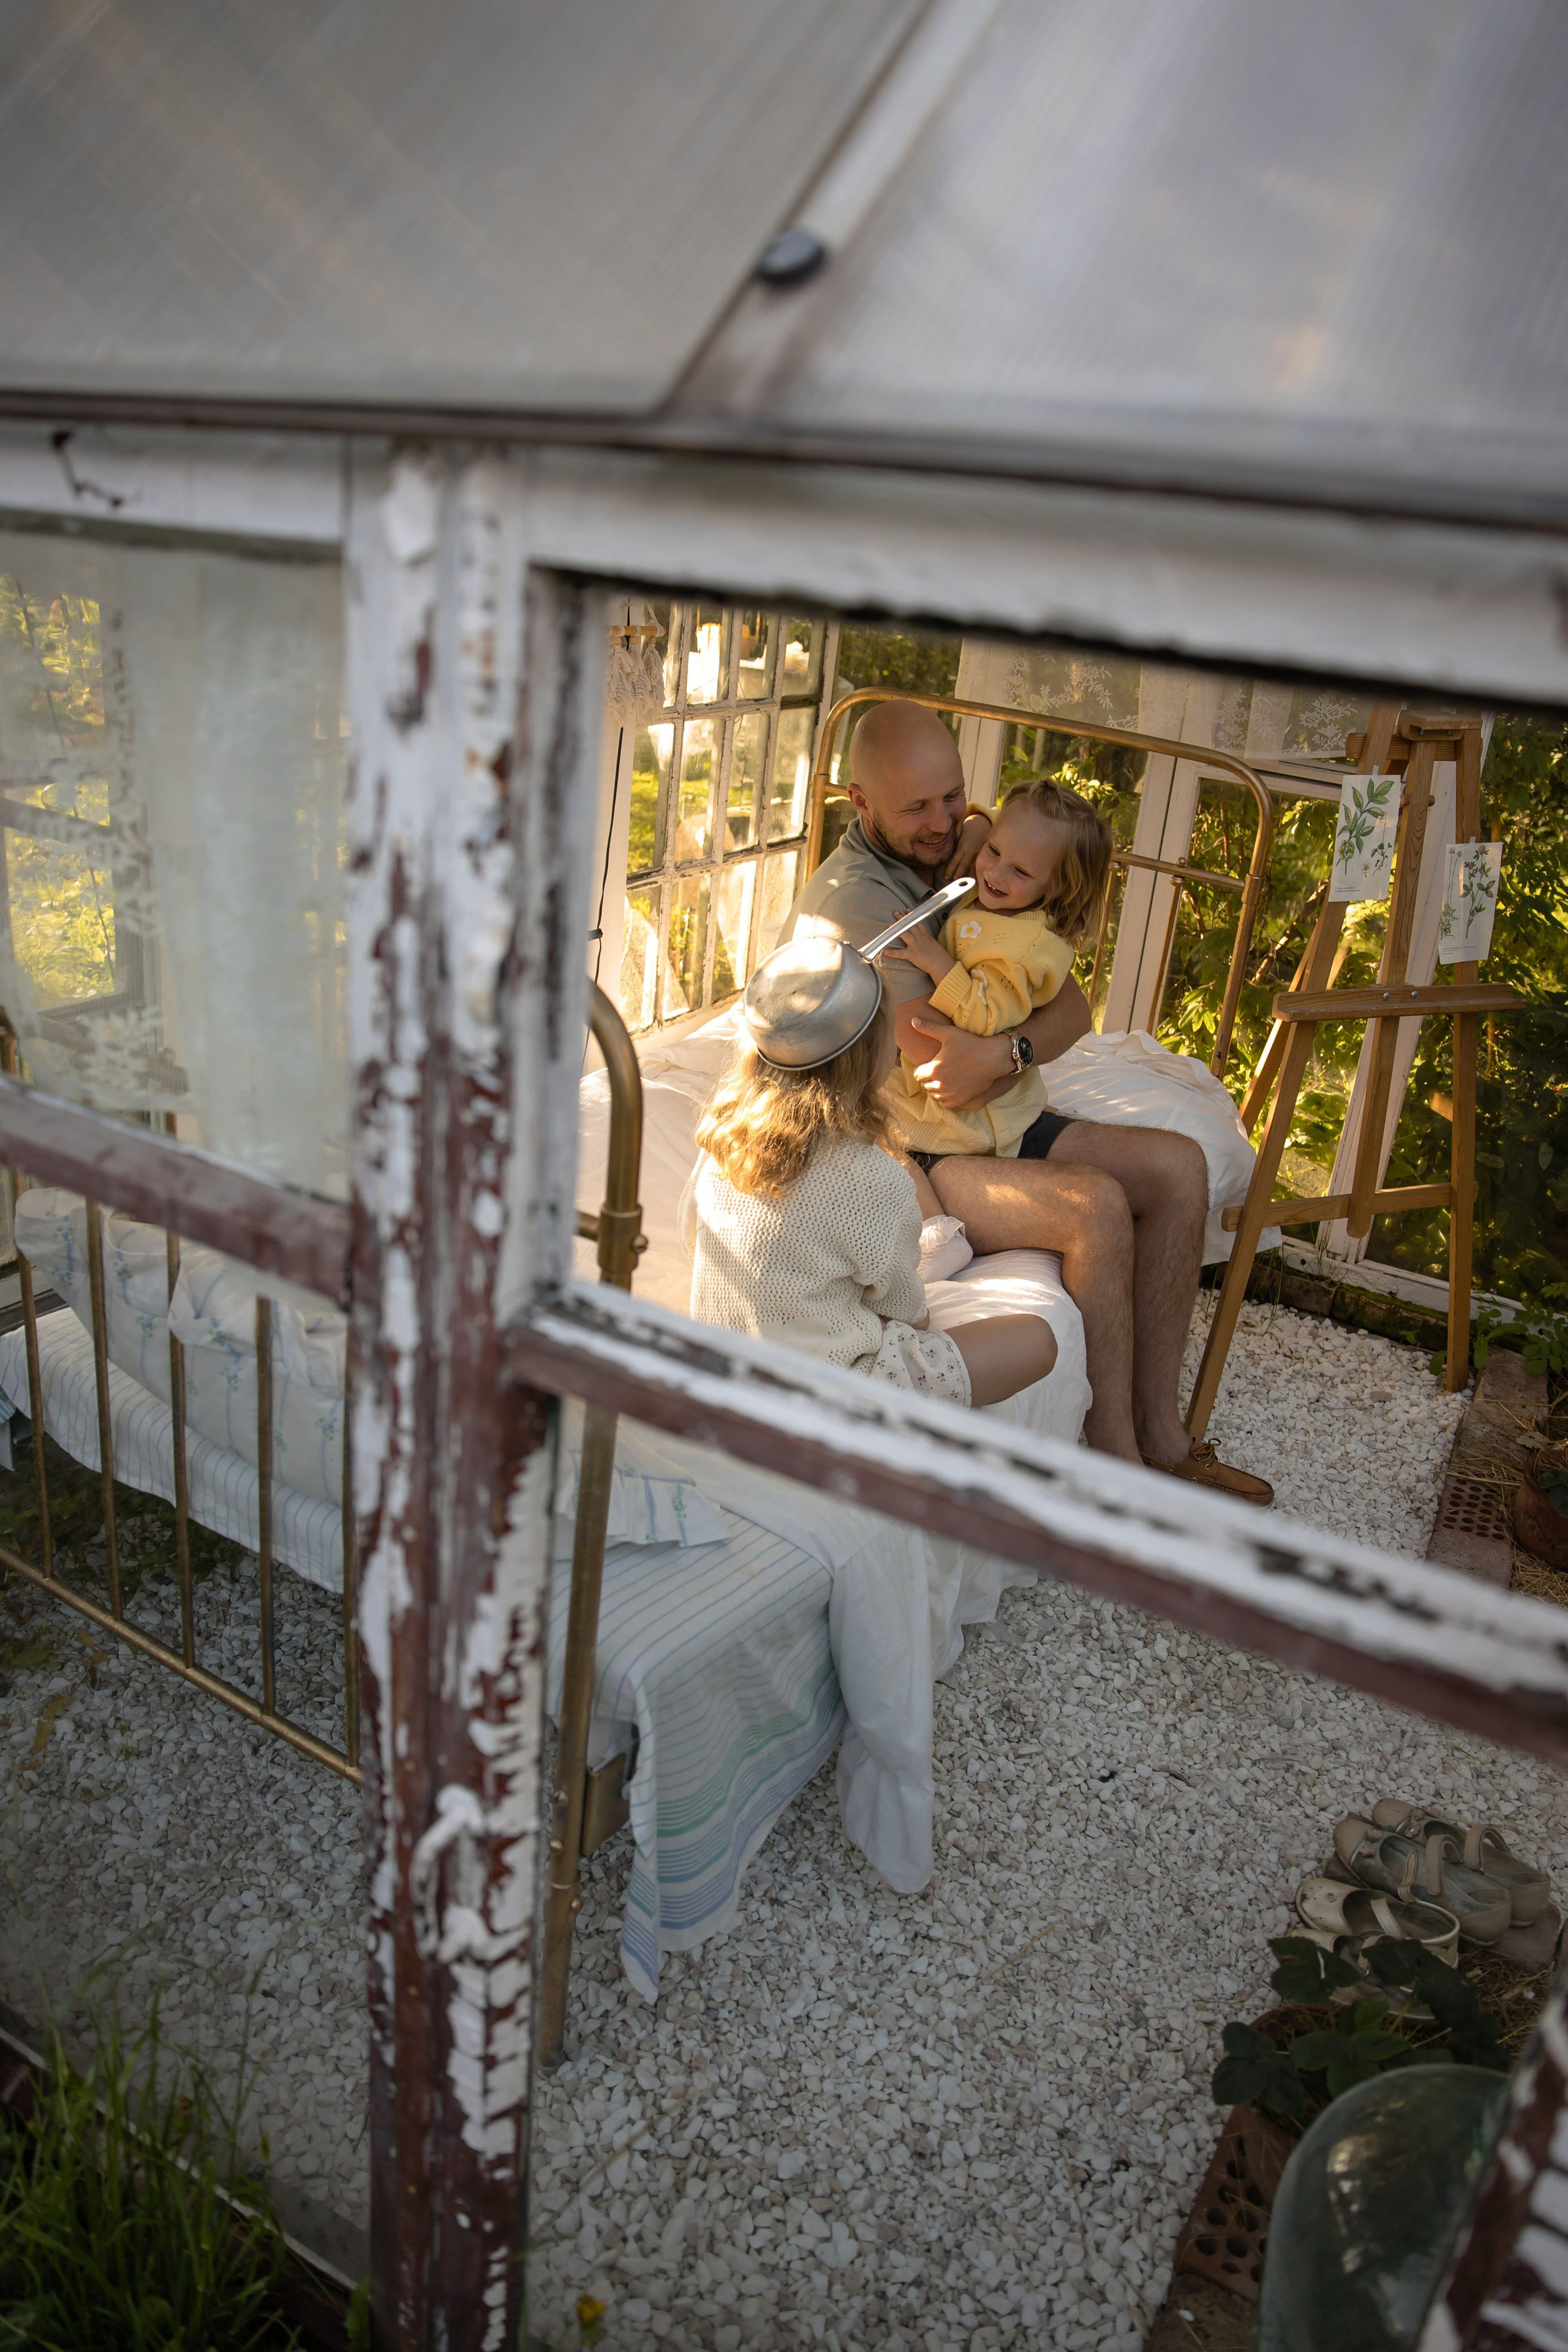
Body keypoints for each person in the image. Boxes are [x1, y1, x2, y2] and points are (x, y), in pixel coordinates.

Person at [779, 698, 1271, 1501]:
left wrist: (1011, 1047)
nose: (947, 823)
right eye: (917, 809)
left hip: (991, 1116)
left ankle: (1165, 1437)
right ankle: (1116, 1470)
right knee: (1096, 1205)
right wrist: (1001, 1044)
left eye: (953, 796)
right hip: (919, 1140)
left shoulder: (973, 848)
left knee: (1179, 1168)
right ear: (858, 803)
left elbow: (1072, 1008)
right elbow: (946, 1066)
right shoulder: (859, 906)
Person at [684, 990, 1058, 1411]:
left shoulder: (724, 1141)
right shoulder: (871, 1176)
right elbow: (911, 1313)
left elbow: (694, 1239)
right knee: (1037, 1340)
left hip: (725, 1371)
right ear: (870, 1058)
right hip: (835, 1396)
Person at [880, 777, 1112, 1163]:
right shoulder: (1000, 894)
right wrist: (979, 825)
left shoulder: (1024, 949)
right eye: (993, 851)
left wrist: (939, 963)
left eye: (1020, 871)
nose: (995, 873)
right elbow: (1003, 826)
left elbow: (986, 1018)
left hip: (972, 1124)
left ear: (1059, 887)